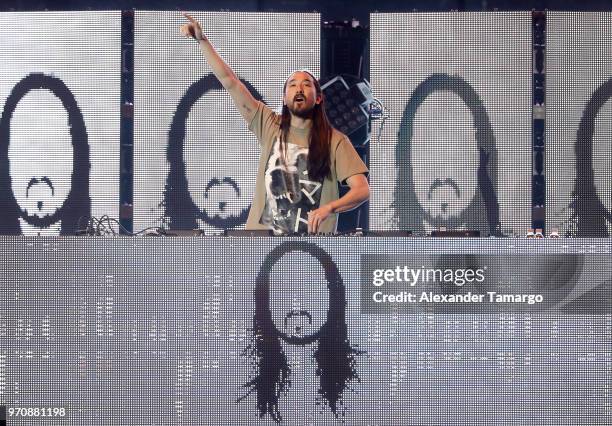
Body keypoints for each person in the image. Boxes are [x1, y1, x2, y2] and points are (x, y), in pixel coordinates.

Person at [180, 14, 369, 234]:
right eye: (292, 85)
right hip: (261, 243)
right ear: (284, 97)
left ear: (318, 97)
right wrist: (203, 41)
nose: (299, 89)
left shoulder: (335, 141)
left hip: (314, 247)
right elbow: (230, 82)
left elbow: (362, 189)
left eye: (306, 84)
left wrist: (330, 207)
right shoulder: (269, 124)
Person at [393, 73, 502, 236]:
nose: (443, 169)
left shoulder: (502, 249)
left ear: (480, 158)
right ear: (407, 159)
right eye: (427, 143)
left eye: (459, 143)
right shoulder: (388, 251)